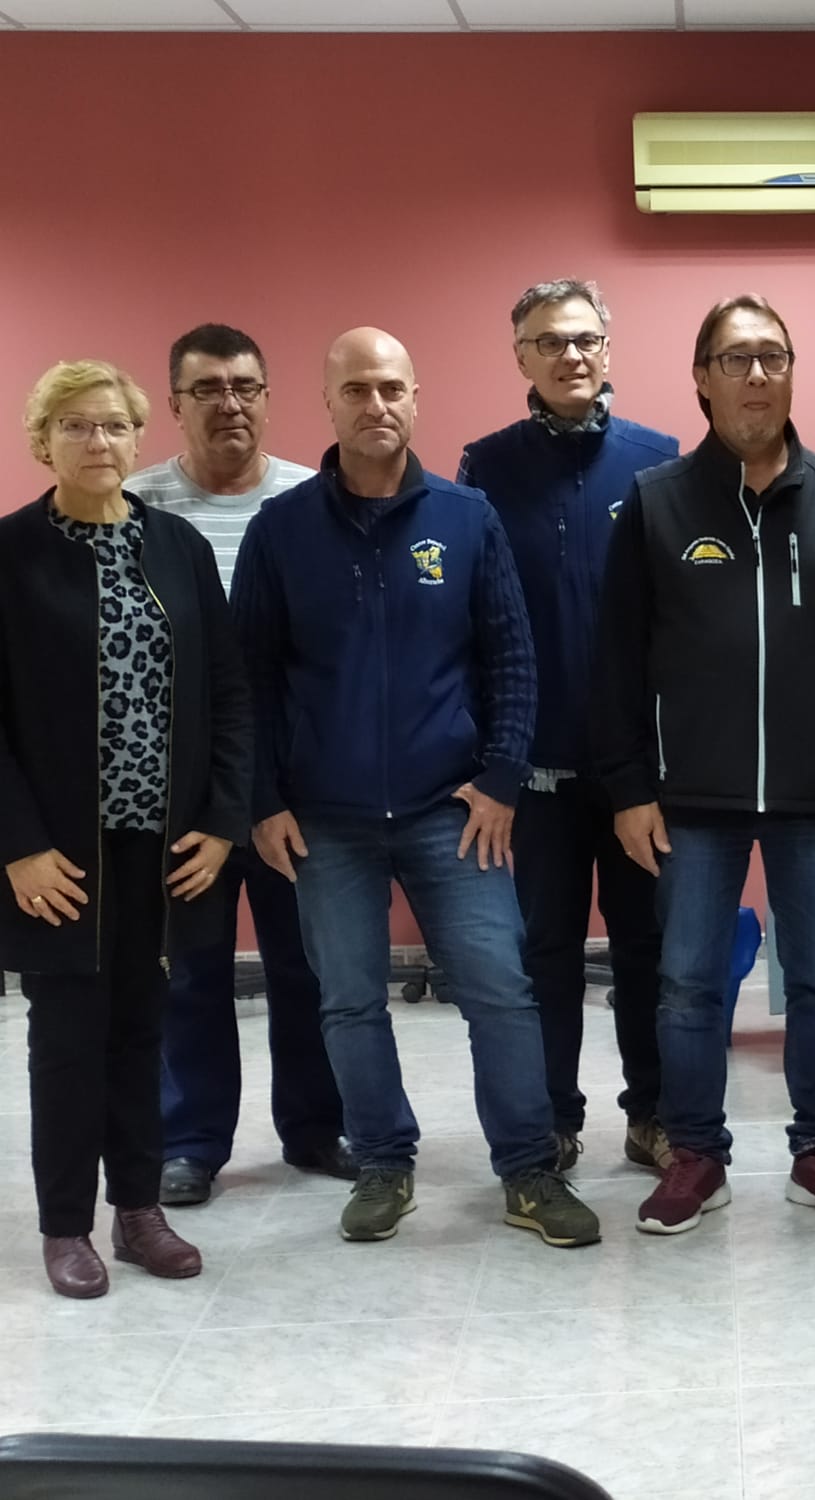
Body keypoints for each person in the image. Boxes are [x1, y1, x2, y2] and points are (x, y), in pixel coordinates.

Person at [233, 327, 598, 1249]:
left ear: (415, 398)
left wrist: (502, 779)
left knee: (502, 991)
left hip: (453, 812)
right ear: (328, 402)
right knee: (350, 1001)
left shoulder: (468, 519)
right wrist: (262, 800)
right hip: (326, 820)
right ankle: (383, 1162)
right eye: (356, 389)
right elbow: (249, 680)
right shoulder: (281, 531)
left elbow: (512, 658)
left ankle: (528, 1170)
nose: (376, 405)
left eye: (391, 387)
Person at [595, 293, 815, 1234]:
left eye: (773, 356)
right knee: (689, 983)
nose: (757, 375)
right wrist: (630, 788)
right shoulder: (657, 501)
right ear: (702, 378)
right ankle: (695, 1154)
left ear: (791, 374)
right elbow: (615, 660)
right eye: (736, 358)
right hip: (692, 797)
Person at [0, 360, 250, 1297]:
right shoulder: (11, 553)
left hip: (164, 846)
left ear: (139, 436)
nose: (97, 441)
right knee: (69, 1037)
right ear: (43, 442)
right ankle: (66, 1225)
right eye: (75, 426)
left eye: (112, 425)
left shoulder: (176, 546)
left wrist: (221, 822)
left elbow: (229, 692)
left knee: (147, 1028)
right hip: (59, 852)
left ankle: (139, 1210)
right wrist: (18, 847)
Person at [123, 323, 348, 1207]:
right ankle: (189, 1142)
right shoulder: (136, 506)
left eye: (245, 387)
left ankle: (316, 1127)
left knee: (308, 966)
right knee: (192, 972)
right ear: (174, 404)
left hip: (295, 781)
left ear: (268, 398)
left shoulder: (310, 500)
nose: (229, 404)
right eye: (208, 389)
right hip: (182, 791)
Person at [459, 280, 680, 1174]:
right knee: (543, 953)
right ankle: (553, 1118)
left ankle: (652, 1113)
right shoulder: (486, 467)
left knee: (646, 950)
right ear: (521, 357)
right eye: (549, 341)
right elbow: (475, 619)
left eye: (585, 338)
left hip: (637, 773)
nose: (571, 355)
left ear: (608, 349)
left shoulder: (658, 461)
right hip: (535, 770)